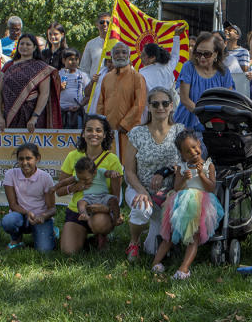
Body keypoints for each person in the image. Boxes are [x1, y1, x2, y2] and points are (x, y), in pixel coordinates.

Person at [151, 129, 224, 280]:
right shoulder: (181, 167)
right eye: (187, 151)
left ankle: (183, 268)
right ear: (182, 155)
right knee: (169, 234)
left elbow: (211, 187)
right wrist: (184, 178)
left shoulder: (208, 165)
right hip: (180, 204)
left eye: (194, 147)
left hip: (201, 204)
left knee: (194, 237)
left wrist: (202, 175)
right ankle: (156, 262)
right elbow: (177, 187)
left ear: (199, 144)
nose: (193, 152)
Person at [121, 86, 183, 258]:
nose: (160, 108)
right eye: (155, 104)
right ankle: (134, 242)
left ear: (171, 106)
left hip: (168, 194)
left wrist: (168, 178)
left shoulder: (180, 131)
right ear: (148, 107)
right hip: (139, 188)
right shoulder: (137, 133)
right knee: (142, 208)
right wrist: (141, 191)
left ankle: (154, 237)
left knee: (154, 251)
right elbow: (129, 171)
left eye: (165, 103)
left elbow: (185, 165)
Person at [54, 115, 122, 254]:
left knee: (100, 224)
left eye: (98, 130)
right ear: (83, 133)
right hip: (77, 211)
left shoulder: (112, 160)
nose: (94, 134)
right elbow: (59, 191)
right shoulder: (73, 156)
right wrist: (74, 188)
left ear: (104, 135)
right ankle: (86, 239)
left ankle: (101, 235)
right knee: (68, 251)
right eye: (89, 130)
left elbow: (116, 196)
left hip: (100, 211)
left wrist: (103, 208)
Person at [0, 33, 61, 131]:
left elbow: (44, 94)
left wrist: (35, 117)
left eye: (28, 44)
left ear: (34, 47)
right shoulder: (8, 66)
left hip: (32, 117)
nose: (24, 47)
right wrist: (0, 117)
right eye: (21, 44)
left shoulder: (41, 68)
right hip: (9, 115)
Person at [174, 32, 234, 133]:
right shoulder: (188, 67)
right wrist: (204, 116)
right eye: (198, 53)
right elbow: (185, 99)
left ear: (216, 54)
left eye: (207, 54)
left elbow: (228, 100)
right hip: (187, 124)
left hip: (215, 126)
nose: (202, 57)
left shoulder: (224, 72)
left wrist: (213, 120)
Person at [1, 143, 56, 252]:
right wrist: (27, 213)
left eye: (28, 158)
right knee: (8, 221)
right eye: (21, 159)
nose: (24, 163)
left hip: (41, 219)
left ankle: (51, 231)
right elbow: (13, 205)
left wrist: (43, 217)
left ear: (37, 159)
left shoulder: (45, 178)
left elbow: (52, 208)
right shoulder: (10, 174)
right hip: (20, 216)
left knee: (44, 250)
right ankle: (16, 240)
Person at [96, 42, 147, 142]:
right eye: (117, 53)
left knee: (127, 157)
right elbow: (100, 104)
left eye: (124, 52)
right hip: (109, 130)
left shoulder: (137, 77)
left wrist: (125, 124)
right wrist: (101, 124)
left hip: (129, 131)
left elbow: (139, 104)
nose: (120, 55)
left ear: (129, 55)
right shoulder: (107, 78)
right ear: (112, 56)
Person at [139, 32, 183, 96]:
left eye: (143, 55)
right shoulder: (167, 67)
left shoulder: (143, 74)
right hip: (170, 104)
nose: (140, 56)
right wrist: (176, 36)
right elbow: (175, 56)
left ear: (152, 58)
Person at [57, 49, 89, 129]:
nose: (74, 61)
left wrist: (80, 105)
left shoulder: (83, 75)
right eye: (71, 59)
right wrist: (59, 87)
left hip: (77, 112)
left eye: (76, 59)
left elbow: (89, 95)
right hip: (61, 111)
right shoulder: (58, 74)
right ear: (64, 60)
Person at [78, 12, 112, 80]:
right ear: (97, 24)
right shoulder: (90, 44)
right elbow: (84, 69)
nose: (105, 24)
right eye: (102, 22)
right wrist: (89, 84)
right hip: (94, 86)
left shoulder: (118, 44)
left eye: (108, 22)